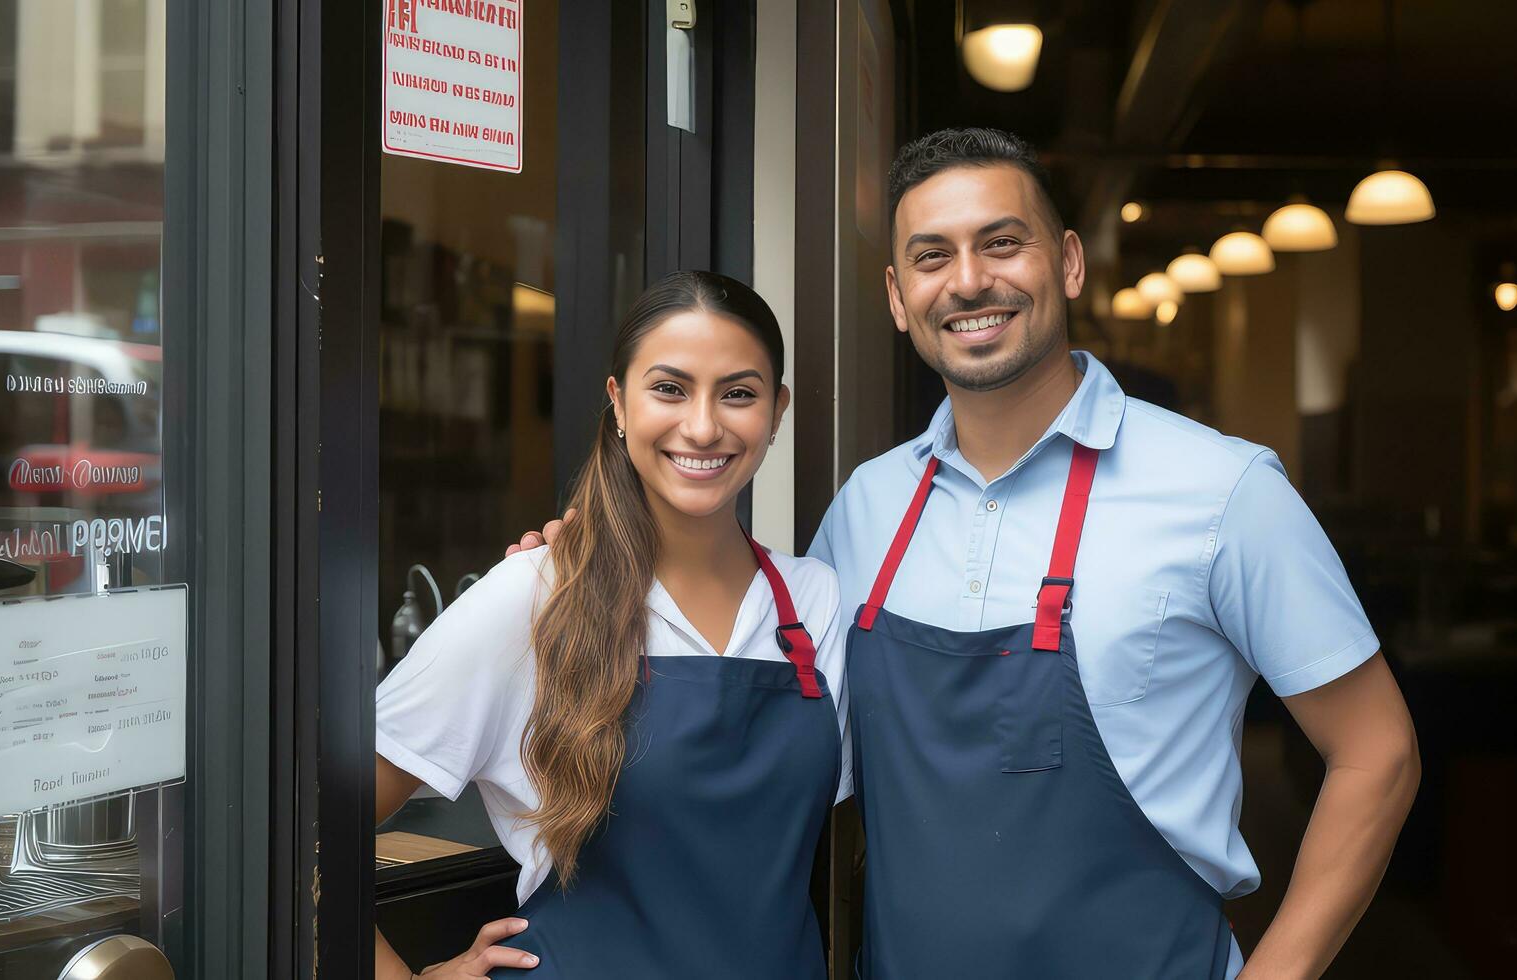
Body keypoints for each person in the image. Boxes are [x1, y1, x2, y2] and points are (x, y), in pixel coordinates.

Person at [513, 128, 1419, 979]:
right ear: (898, 298)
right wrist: (585, 564)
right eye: (931, 256)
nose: (968, 281)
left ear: (1065, 264)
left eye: (1002, 243)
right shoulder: (867, 508)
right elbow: (749, 721)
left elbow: (1376, 752)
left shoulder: (1224, 491)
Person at [377, 271, 851, 979]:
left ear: (776, 411)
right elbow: (312, 828)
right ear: (618, 402)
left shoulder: (816, 603)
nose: (702, 425)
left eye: (739, 393)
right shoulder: (534, 596)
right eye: (669, 388)